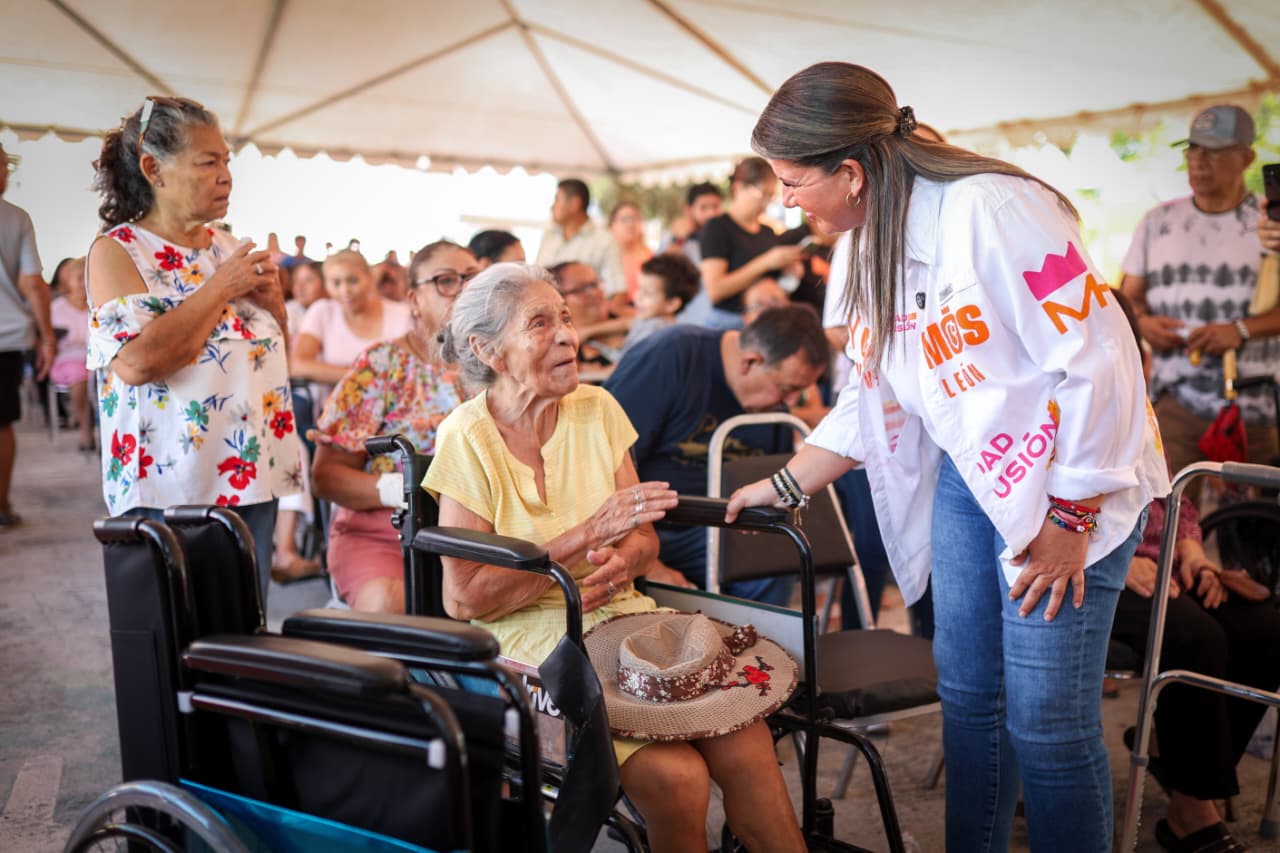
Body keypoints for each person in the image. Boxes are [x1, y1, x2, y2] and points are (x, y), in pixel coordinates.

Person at [727, 62, 1169, 851]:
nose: (784, 200)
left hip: (1076, 482)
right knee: (967, 699)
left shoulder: (998, 210)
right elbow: (874, 401)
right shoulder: (868, 242)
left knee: (1047, 722)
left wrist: (1069, 515)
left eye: (792, 181)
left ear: (851, 172)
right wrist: (785, 484)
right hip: (976, 484)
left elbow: (1104, 362)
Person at [423, 262, 805, 853]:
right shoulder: (466, 437)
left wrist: (624, 559)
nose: (568, 336)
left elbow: (644, 541)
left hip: (630, 633)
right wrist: (581, 538)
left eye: (568, 319)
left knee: (749, 744)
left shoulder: (597, 409)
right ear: (488, 349)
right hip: (535, 660)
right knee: (679, 780)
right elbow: (465, 596)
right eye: (541, 323)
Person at [86, 96, 302, 598]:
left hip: (252, 475)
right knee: (180, 640)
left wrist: (277, 307)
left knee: (242, 634)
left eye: (227, 161)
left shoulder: (229, 248)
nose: (226, 175)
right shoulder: (118, 251)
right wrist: (219, 288)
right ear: (152, 168)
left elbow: (268, 359)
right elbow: (138, 362)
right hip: (172, 487)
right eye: (208, 161)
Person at [1107, 290, 1280, 853]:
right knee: (1192, 635)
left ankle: (1172, 759)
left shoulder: (1143, 408)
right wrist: (1119, 556)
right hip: (1101, 571)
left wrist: (1194, 551)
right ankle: (1191, 814)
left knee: (1264, 629)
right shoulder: (1050, 408)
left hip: (1164, 565)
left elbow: (1170, 498)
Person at [606, 305, 828, 606]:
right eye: (787, 389)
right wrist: (648, 560)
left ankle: (758, 648)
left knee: (776, 553)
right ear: (750, 362)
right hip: (654, 524)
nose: (789, 403)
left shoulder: (771, 408)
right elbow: (602, 465)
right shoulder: (671, 358)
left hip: (723, 526)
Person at [1120, 105, 1280, 501]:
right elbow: (1124, 300)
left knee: (1249, 532)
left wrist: (1239, 331)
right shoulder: (1158, 222)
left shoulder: (1268, 224)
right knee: (1170, 518)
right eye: (1192, 150)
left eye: (1213, 150)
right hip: (1175, 399)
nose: (1199, 161)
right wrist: (1142, 324)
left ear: (1246, 157)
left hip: (1253, 401)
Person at [310, 241, 476, 612]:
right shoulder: (381, 365)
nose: (465, 289)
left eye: (473, 278)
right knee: (390, 605)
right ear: (414, 300)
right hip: (387, 537)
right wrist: (411, 492)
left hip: (477, 539)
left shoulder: (499, 365)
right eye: (447, 281)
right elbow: (326, 476)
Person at [0, 142, 55, 529]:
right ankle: (0, 507)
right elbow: (33, 283)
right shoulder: (15, 219)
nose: (5, 174)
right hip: (5, 334)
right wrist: (47, 336)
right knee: (1, 425)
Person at [697, 157, 810, 330]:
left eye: (770, 196)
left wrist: (790, 274)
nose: (765, 203)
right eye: (761, 194)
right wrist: (766, 262)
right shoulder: (718, 227)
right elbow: (715, 290)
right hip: (730, 324)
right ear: (738, 187)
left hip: (767, 321)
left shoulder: (767, 231)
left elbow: (773, 285)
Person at [290, 249, 412, 391]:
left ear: (370, 278)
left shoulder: (401, 314)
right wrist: (364, 376)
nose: (345, 290)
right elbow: (297, 364)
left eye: (352, 280)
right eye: (336, 283)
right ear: (327, 285)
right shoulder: (323, 311)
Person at [534, 178, 624, 299]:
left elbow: (618, 291)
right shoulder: (550, 235)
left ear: (574, 203)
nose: (552, 207)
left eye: (556, 200)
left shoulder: (604, 241)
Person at [48, 257, 94, 451]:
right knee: (80, 375)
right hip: (66, 360)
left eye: (87, 278)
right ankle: (85, 429)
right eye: (78, 278)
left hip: (93, 359)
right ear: (68, 282)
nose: (83, 283)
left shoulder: (96, 306)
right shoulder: (56, 308)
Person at [548, 261, 625, 374]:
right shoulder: (567, 353)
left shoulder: (624, 315)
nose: (594, 292)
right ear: (558, 299)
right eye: (581, 289)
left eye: (595, 284)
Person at [620, 254, 701, 354]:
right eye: (639, 288)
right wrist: (594, 330)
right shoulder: (650, 317)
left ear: (671, 304)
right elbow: (630, 323)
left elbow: (625, 367)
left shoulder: (653, 334)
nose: (637, 297)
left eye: (647, 293)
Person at [660, 181, 724, 269]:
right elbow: (661, 268)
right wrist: (679, 240)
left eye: (715, 206)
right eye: (704, 207)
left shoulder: (725, 234)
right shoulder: (675, 237)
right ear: (689, 210)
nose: (711, 213)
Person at [609, 201, 652, 312]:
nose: (630, 224)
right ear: (612, 225)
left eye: (635, 218)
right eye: (624, 219)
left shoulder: (651, 257)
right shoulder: (605, 257)